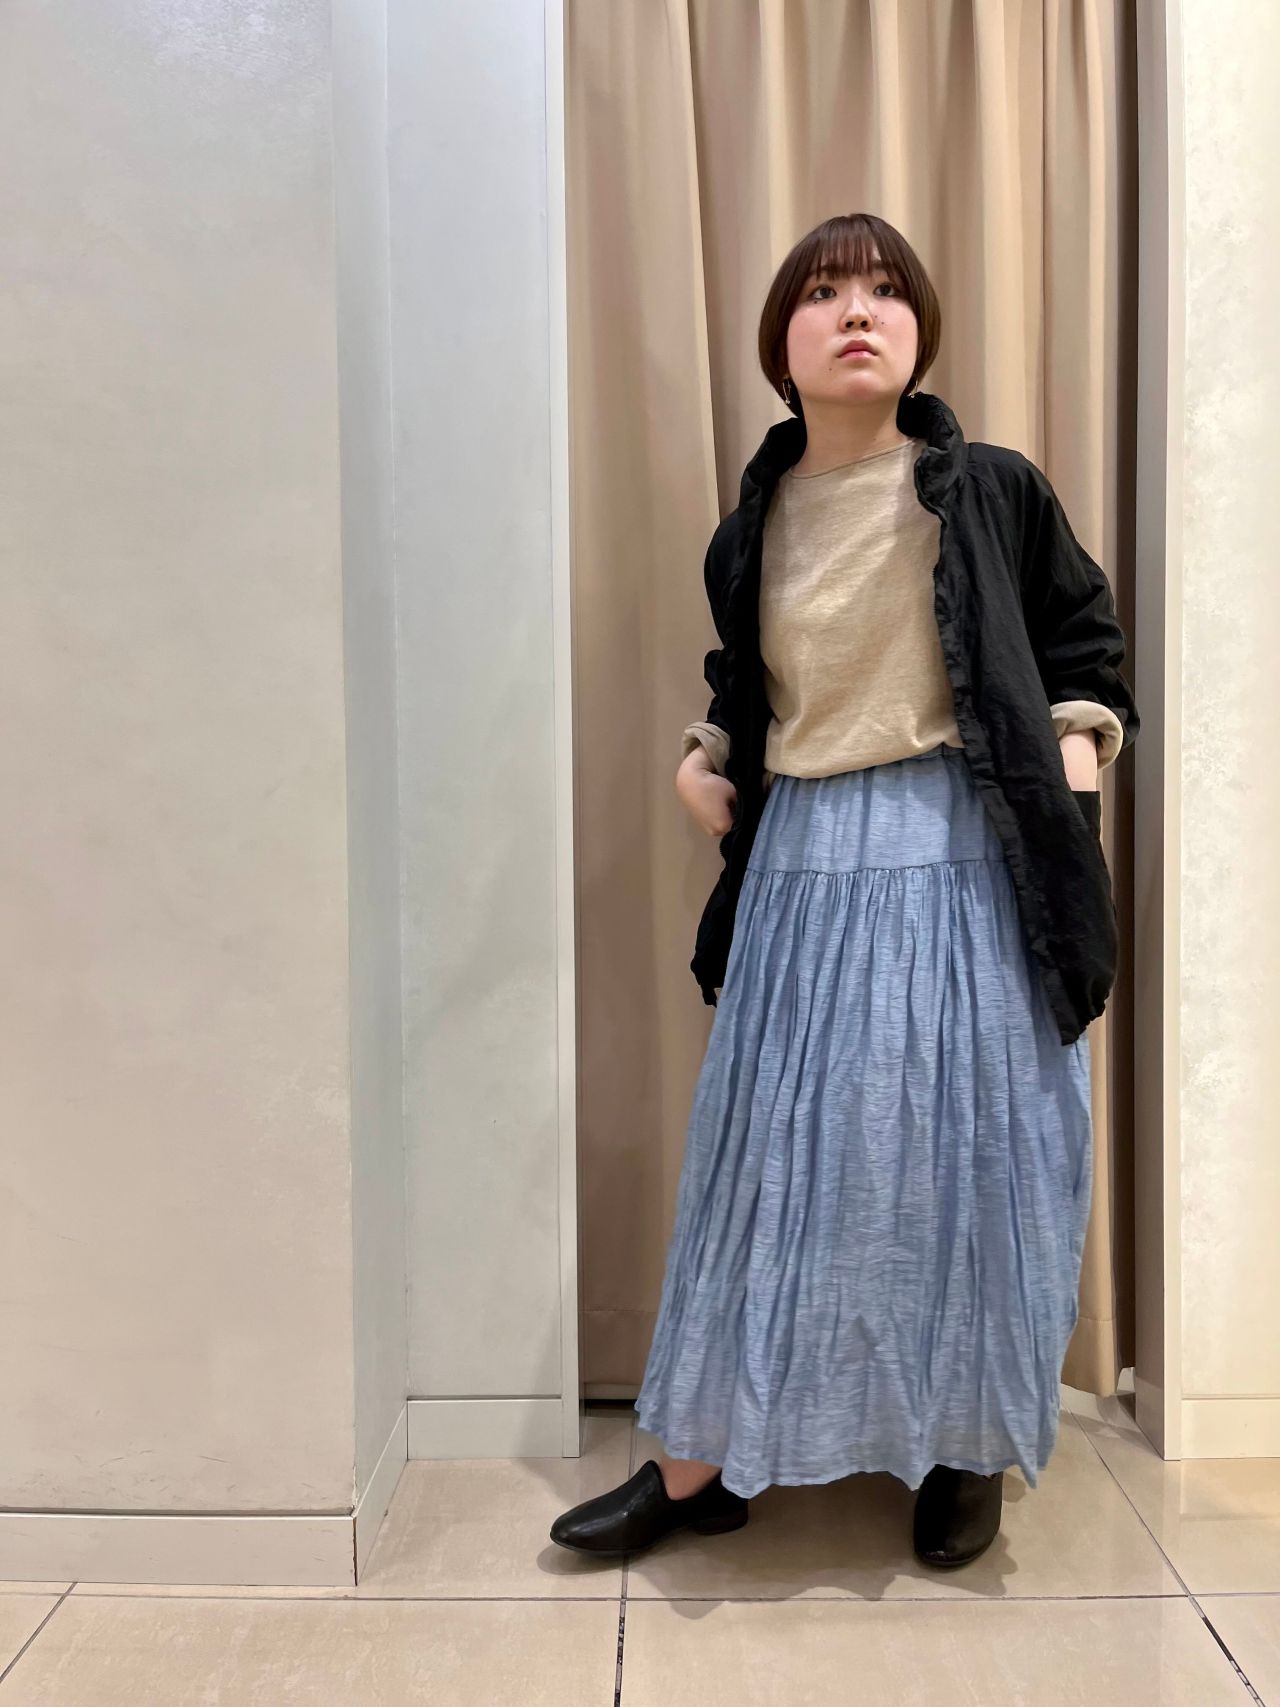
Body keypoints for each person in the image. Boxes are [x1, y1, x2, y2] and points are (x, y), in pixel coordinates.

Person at [551, 212, 1139, 1569]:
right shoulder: (750, 527)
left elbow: (1081, 636)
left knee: (973, 1152)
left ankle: (963, 1446)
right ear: (783, 344)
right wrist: (705, 760)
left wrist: (1075, 754)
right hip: (805, 860)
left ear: (920, 331)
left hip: (971, 846)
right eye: (823, 294)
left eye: (884, 290)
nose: (857, 311)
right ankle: (701, 1463)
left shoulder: (989, 489)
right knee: (771, 1161)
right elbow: (742, 680)